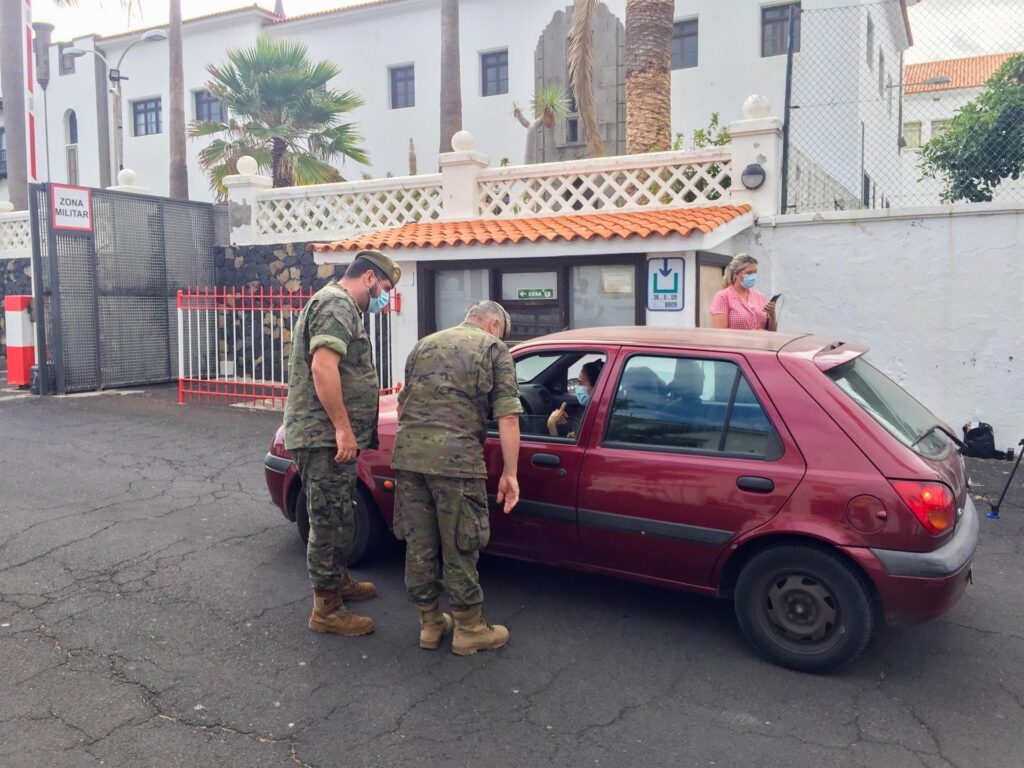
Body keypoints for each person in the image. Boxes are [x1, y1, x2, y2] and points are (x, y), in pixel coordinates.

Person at [391, 300, 522, 655]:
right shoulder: (494, 349)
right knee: (461, 543)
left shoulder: (424, 344)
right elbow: (508, 417)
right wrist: (510, 474)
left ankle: (430, 624)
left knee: (419, 546)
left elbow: (402, 407)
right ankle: (469, 629)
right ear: (494, 324)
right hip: (457, 462)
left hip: (410, 459)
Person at [283, 248, 401, 638]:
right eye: (383, 288)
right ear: (368, 278)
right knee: (330, 519)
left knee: (340, 511)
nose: (383, 298)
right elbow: (323, 366)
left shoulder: (339, 304)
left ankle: (338, 581)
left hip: (325, 436)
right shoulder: (337, 304)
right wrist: (342, 428)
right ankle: (326, 608)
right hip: (322, 437)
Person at [709, 254, 778, 331]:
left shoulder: (760, 297)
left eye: (755, 272)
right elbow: (720, 332)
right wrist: (754, 334)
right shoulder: (723, 297)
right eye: (749, 273)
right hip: (735, 343)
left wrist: (772, 316)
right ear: (736, 274)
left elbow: (772, 333)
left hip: (761, 343)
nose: (753, 276)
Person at [547, 359, 605, 437]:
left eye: (580, 383)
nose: (578, 388)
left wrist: (551, 424)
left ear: (597, 386)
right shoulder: (598, 410)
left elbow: (567, 449)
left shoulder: (595, 421)